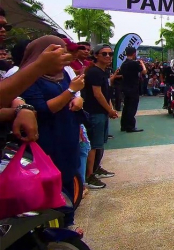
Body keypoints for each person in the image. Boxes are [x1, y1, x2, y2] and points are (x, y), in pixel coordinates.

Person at [20, 36, 85, 231]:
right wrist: (71, 91)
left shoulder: (63, 75)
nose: (65, 55)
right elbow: (42, 109)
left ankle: (68, 223)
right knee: (49, 184)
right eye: (60, 51)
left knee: (67, 178)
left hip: (68, 133)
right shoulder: (29, 77)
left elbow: (72, 96)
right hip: (46, 140)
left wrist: (77, 98)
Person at [82, 44, 118, 189]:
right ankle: (89, 176)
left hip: (101, 112)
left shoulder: (103, 72)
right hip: (95, 112)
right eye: (104, 54)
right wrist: (109, 109)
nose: (108, 56)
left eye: (110, 54)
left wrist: (110, 108)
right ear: (96, 55)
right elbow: (97, 94)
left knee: (99, 143)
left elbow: (106, 92)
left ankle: (96, 168)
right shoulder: (95, 73)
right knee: (94, 144)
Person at [119, 47, 146, 132]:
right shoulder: (134, 63)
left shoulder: (124, 64)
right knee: (132, 108)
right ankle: (130, 126)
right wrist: (142, 63)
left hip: (125, 87)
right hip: (133, 88)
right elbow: (144, 71)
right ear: (134, 53)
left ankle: (124, 125)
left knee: (126, 107)